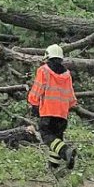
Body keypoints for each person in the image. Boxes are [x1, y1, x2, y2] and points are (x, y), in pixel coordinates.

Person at [28, 43, 78, 171]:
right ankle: (54, 166)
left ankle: (66, 151)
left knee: (46, 136)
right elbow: (71, 97)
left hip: (48, 112)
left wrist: (34, 103)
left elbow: (38, 89)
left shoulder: (44, 70)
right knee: (57, 138)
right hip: (62, 115)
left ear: (47, 57)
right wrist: (69, 106)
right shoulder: (67, 74)